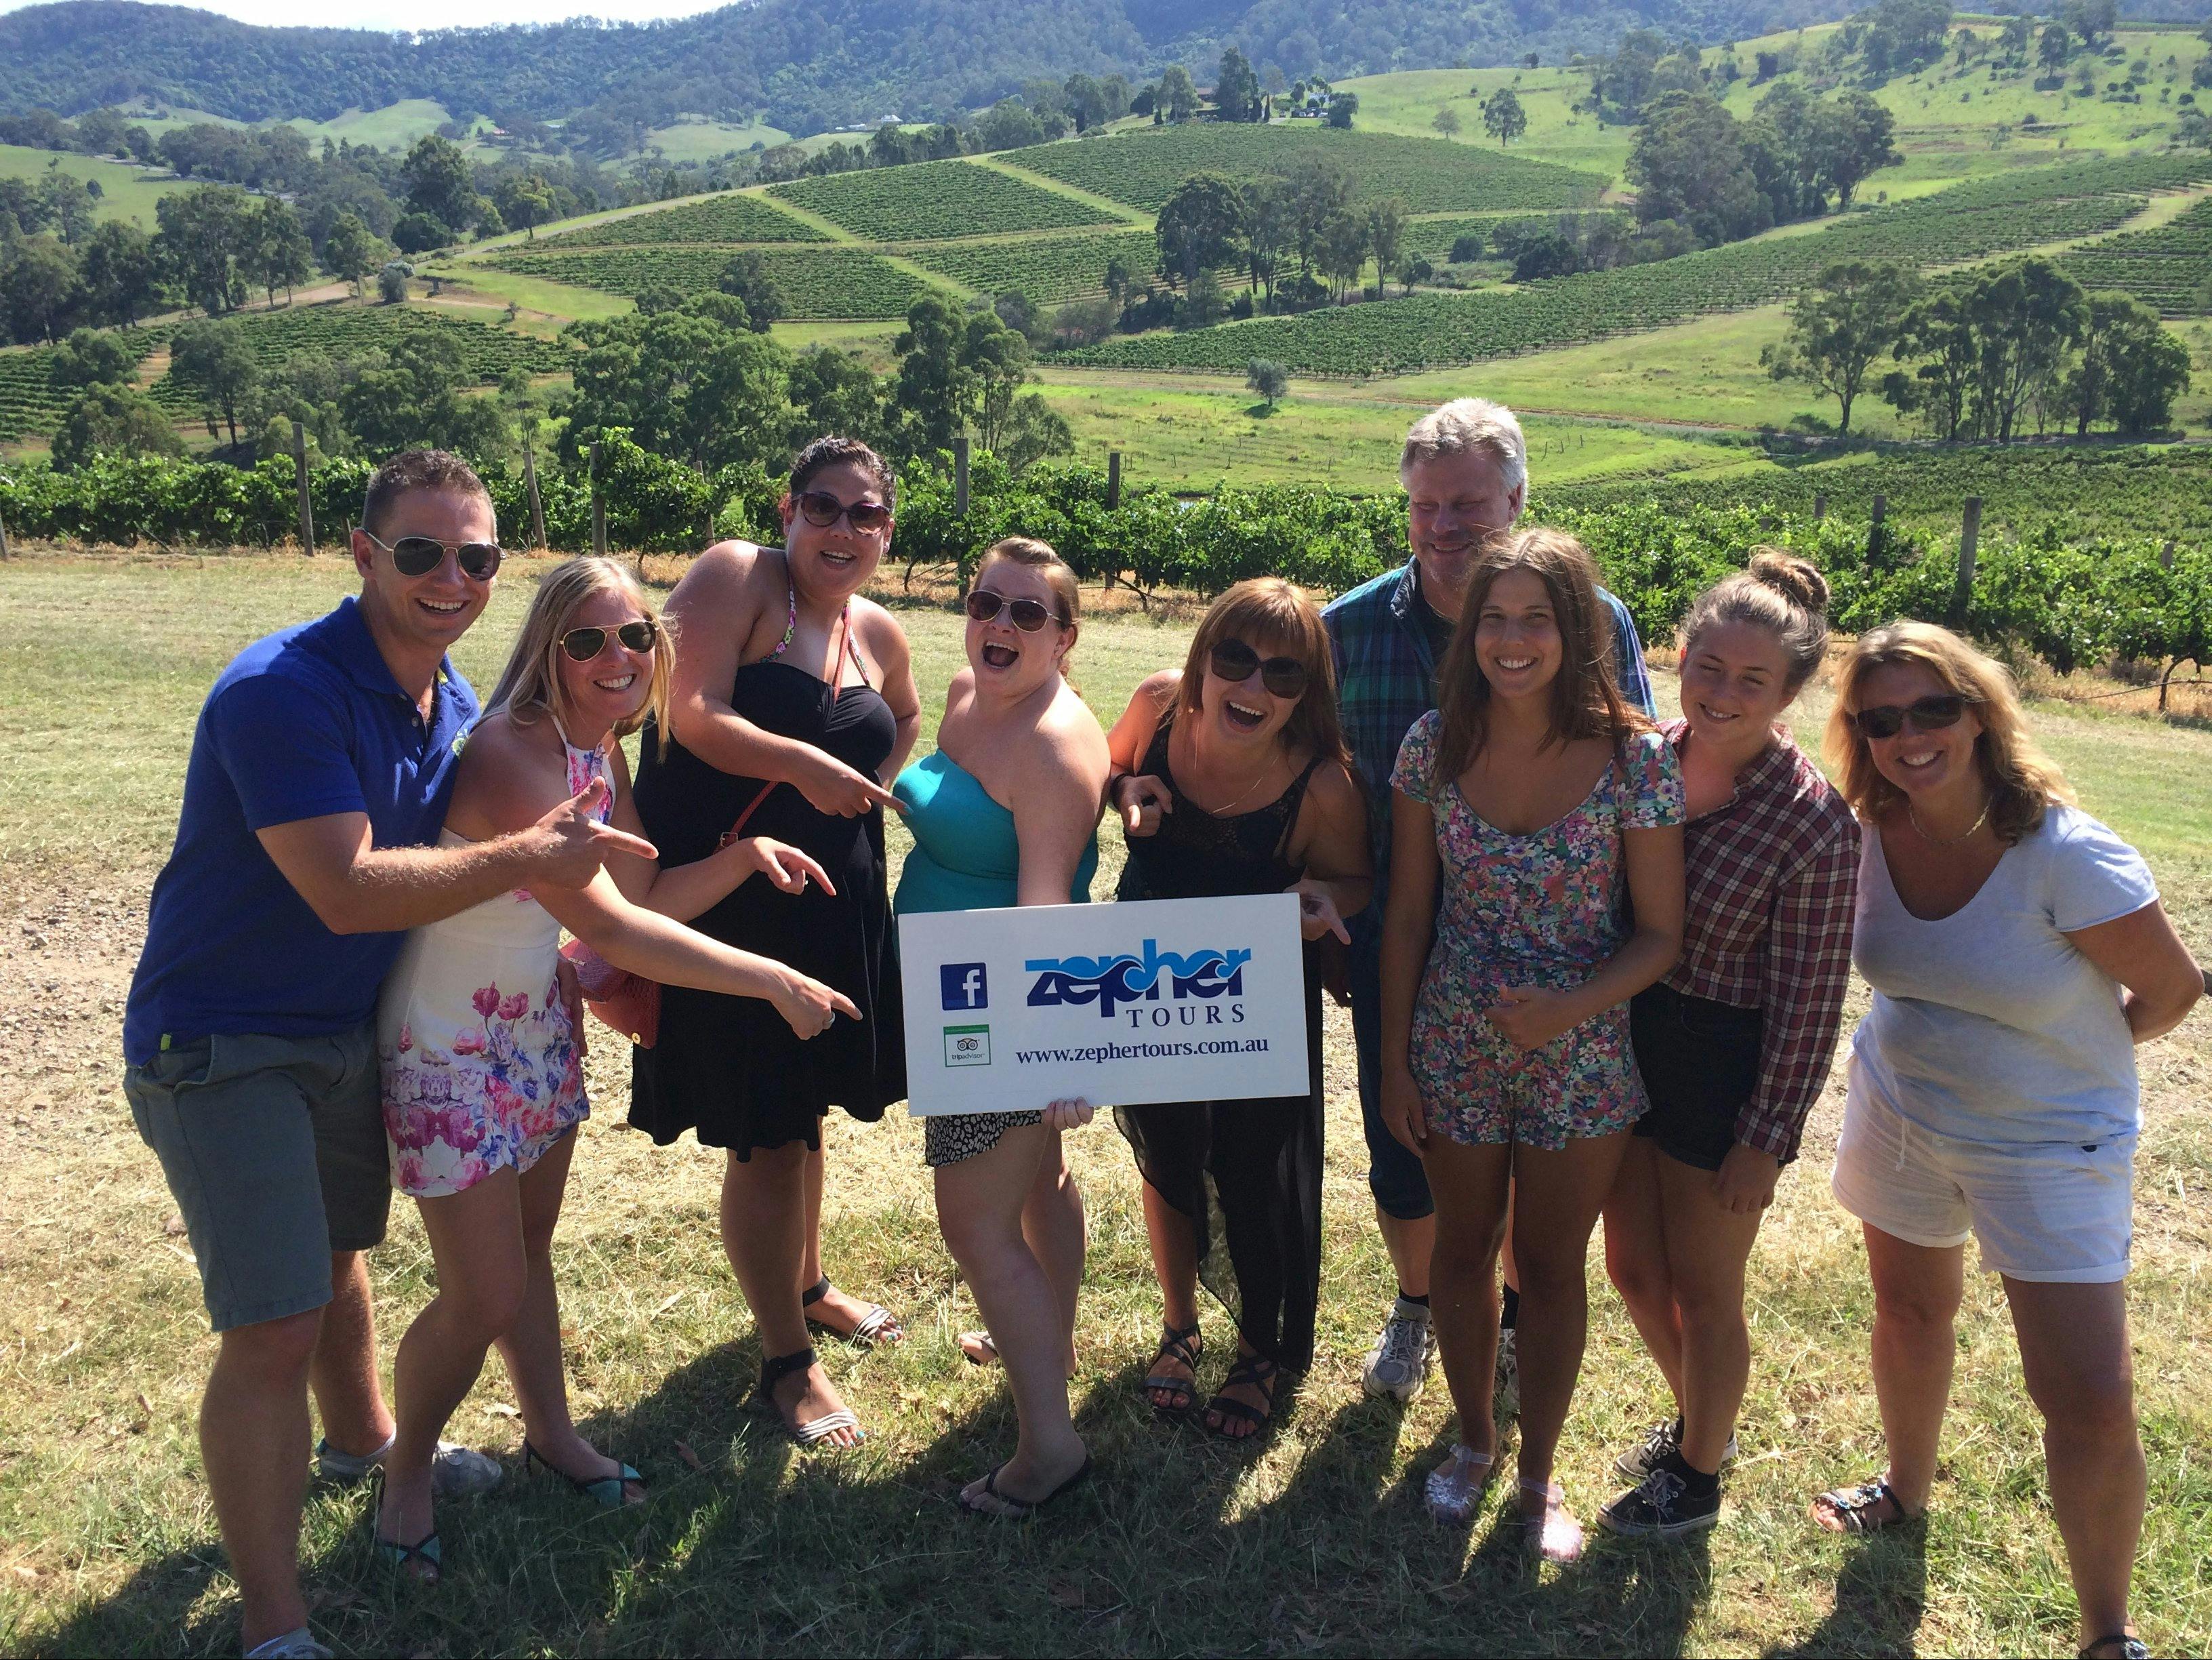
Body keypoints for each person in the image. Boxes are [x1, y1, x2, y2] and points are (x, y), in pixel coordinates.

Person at [119, 451, 653, 1660]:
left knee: (336, 1256)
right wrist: (531, 858)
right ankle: (275, 1624)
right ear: (363, 554)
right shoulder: (281, 691)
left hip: (351, 1035)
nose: (450, 576)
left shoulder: (453, 704)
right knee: (272, 1320)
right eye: (421, 551)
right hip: (223, 1040)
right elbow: (350, 890)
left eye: (475, 557)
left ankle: (362, 1441)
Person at [372, 558, 857, 1575]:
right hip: (450, 1043)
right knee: (482, 1292)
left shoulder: (598, 753)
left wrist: (741, 856)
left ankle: (551, 1434)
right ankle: (406, 1467)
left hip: (536, 1026)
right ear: (547, 651)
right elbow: (615, 932)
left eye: (636, 636)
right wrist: (769, 976)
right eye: (588, 639)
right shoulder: (515, 754)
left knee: (529, 1255)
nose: (617, 657)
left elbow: (645, 894)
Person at [1811, 623, 2199, 1660]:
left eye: (1933, 708)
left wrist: (2069, 1065)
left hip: (2049, 1141)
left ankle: (2107, 1629)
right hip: (1901, 1104)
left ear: (1981, 710)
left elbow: (2171, 990)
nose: (1909, 736)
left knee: (2088, 1394)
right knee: (1908, 1307)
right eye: (1880, 719)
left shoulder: (2063, 854)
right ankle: (1904, 1486)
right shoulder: (1864, 832)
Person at [1325, 397, 1653, 1410]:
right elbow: (1297, 773)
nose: (1444, 526)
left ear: (1518, 499)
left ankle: (1511, 1324)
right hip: (1398, 940)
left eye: (1469, 504)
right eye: (1425, 506)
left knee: (1532, 1181)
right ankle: (1419, 1303)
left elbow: (1640, 769)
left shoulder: (1597, 624)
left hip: (1564, 952)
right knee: (1403, 1153)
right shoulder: (1345, 629)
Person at [1376, 528, 1684, 1560]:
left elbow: (1660, 935)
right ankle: (1472, 1441)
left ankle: (1541, 1469)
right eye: (1494, 618)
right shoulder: (1433, 745)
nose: (1513, 640)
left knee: (1549, 1269)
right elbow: (1409, 917)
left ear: (1577, 631)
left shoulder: (1637, 757)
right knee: (1460, 1252)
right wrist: (1391, 1063)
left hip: (1583, 1052)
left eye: (1536, 620)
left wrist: (1566, 1009)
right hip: (1454, 1043)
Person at [628, 437, 922, 1449]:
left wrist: (850, 798)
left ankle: (810, 1283)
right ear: (787, 508)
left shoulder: (877, 631)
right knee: (764, 1130)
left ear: (888, 530)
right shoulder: (736, 575)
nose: (845, 529)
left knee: (806, 1115)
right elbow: (688, 706)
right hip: (737, 902)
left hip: (835, 903)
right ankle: (784, 1361)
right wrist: (803, 767)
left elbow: (905, 722)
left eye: (867, 514)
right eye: (825, 507)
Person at [1594, 552, 1860, 1537]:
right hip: (1627, 1037)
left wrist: (1768, 1135)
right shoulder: (1641, 761)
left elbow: (1807, 1004)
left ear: (1790, 693)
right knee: (1632, 1269)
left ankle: (1697, 1477)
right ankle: (1705, 1422)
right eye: (1708, 666)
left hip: (1721, 1059)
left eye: (1753, 680)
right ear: (1680, 654)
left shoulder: (1813, 824)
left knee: (1706, 1288)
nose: (1722, 692)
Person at [1103, 578, 1371, 1439]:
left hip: (1255, 999)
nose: (1253, 688)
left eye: (1284, 674)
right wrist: (1128, 792)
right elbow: (1110, 767)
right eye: (1236, 659)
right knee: (1164, 1151)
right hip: (1148, 985)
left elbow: (1360, 879)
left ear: (1308, 691)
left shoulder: (1321, 785)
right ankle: (1179, 1326)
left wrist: (1320, 892)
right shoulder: (1156, 706)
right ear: (1204, 655)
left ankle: (1260, 1349)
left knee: (1258, 1171)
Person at [891, 537, 1110, 1516]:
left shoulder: (1055, 746)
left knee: (975, 1224)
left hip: (998, 1013)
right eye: (988, 603)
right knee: (1039, 1186)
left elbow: (1044, 918)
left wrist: (1053, 1055)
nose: (1001, 626)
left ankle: (1047, 1450)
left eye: (1030, 614)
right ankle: (1048, 1344)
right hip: (951, 1000)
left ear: (1066, 637)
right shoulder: (964, 698)